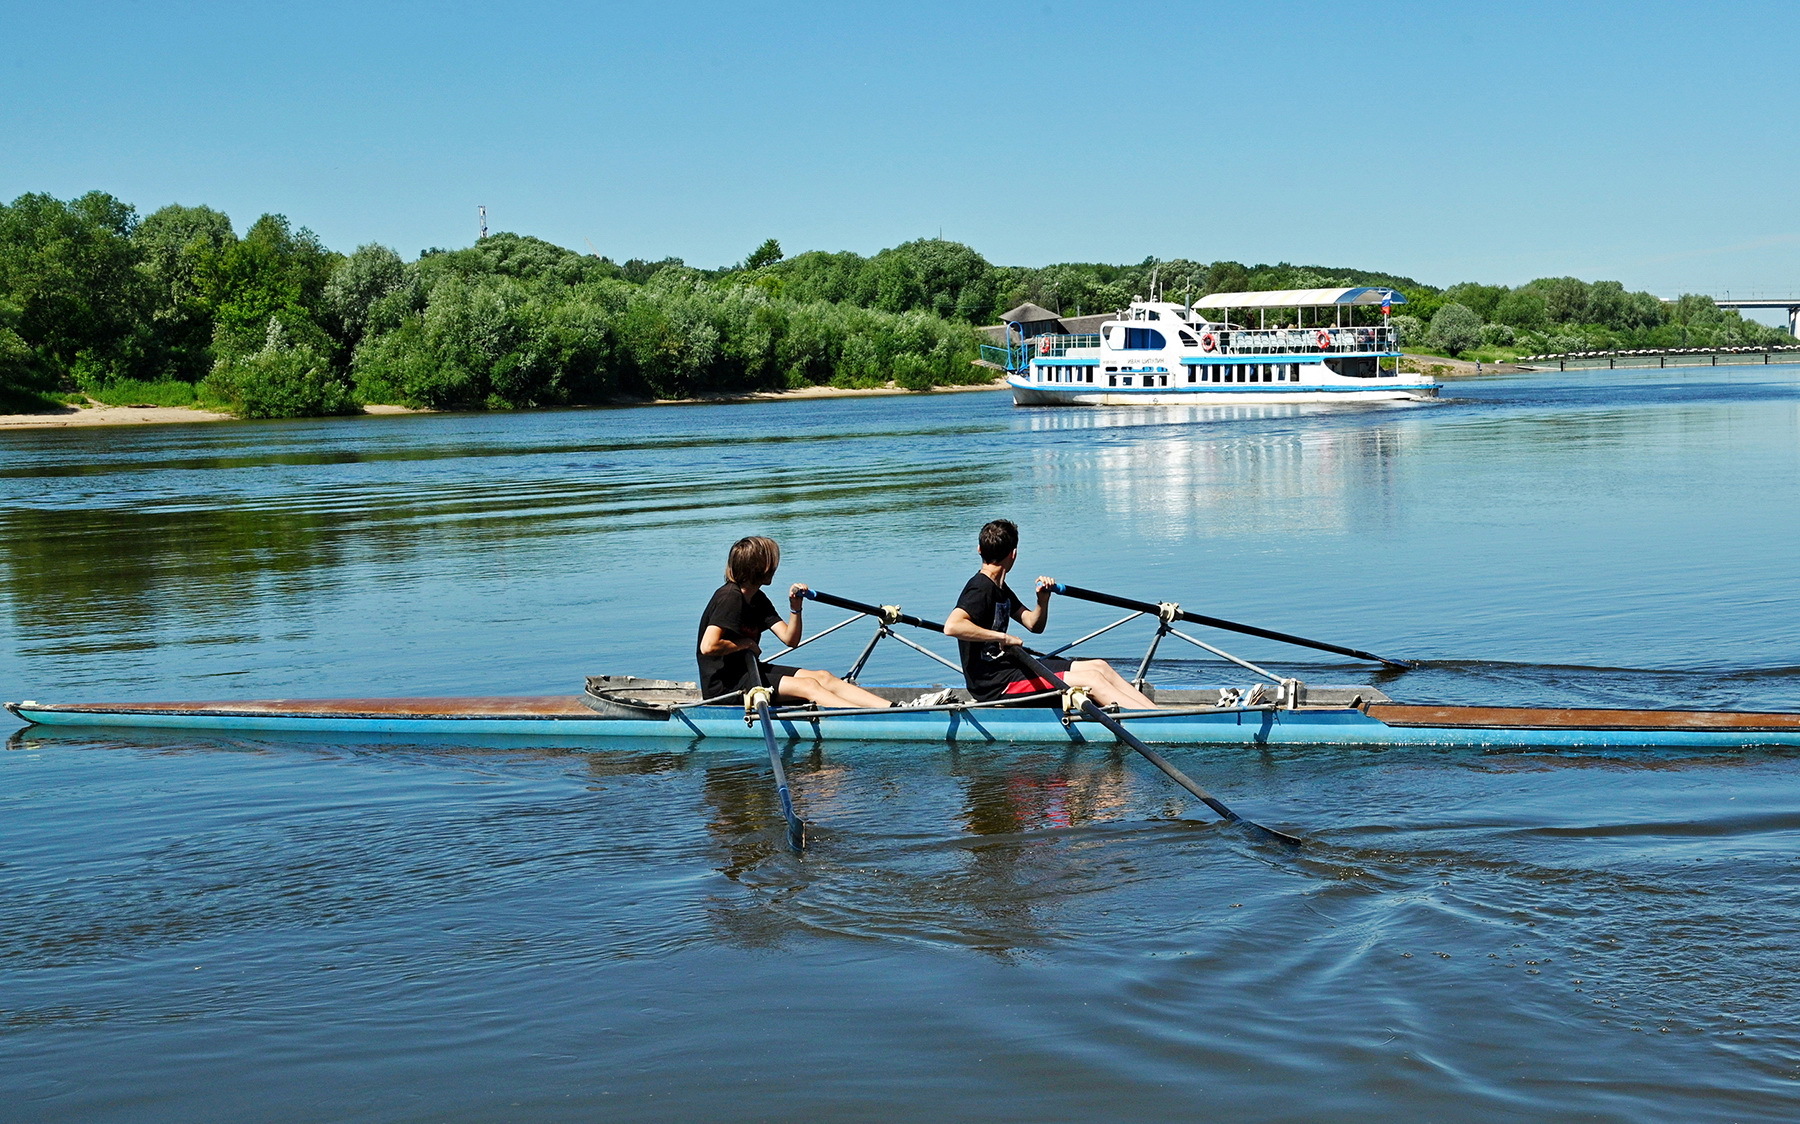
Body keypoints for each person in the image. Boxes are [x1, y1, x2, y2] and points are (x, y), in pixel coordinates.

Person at [943, 519, 1159, 709]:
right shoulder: (980, 587)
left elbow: (1033, 625)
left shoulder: (1000, 588)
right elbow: (952, 626)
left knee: (1099, 667)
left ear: (979, 549)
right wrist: (1004, 637)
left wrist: (1042, 601)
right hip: (994, 684)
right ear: (1013, 554)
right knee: (1092, 681)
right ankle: (1149, 722)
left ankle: (1159, 715)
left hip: (1010, 668)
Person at [697, 535, 897, 710]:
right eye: (771, 563)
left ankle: (894, 709)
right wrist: (746, 644)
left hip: (750, 671)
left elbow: (790, 639)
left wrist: (795, 607)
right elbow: (708, 646)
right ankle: (867, 718)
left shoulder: (757, 599)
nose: (775, 568)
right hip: (725, 686)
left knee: (823, 677)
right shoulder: (730, 597)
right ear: (758, 568)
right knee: (809, 686)